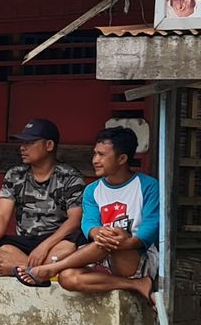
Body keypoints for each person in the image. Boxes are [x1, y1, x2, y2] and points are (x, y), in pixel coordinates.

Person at [18, 127, 159, 304]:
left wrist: (128, 242)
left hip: (136, 256)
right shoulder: (92, 190)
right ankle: (137, 285)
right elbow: (89, 223)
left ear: (122, 159)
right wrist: (95, 232)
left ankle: (51, 268)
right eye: (95, 154)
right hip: (102, 255)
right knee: (67, 278)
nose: (95, 160)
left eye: (102, 155)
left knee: (115, 234)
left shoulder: (148, 185)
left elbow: (151, 225)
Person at [0, 118, 85, 278]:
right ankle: (38, 269)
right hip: (26, 242)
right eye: (22, 143)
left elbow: (74, 220)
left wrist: (43, 247)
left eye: (30, 143)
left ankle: (17, 267)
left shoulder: (70, 177)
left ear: (49, 145)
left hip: (55, 241)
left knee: (78, 241)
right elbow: (2, 215)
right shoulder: (15, 175)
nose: (22, 148)